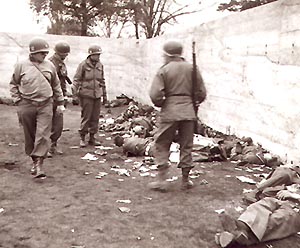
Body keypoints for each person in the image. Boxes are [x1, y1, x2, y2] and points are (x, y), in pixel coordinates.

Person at [148, 40, 207, 190]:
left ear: (167, 54)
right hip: (188, 111)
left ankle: (162, 180)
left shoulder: (164, 70)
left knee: (162, 143)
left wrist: (163, 103)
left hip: (170, 110)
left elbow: (155, 95)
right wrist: (193, 102)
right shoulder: (192, 68)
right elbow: (201, 92)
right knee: (186, 145)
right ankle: (186, 180)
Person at [9, 37, 65, 178]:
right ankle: (34, 160)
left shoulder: (50, 66)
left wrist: (60, 102)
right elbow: (13, 84)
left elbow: (56, 85)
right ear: (32, 53)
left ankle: (39, 165)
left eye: (46, 53)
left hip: (45, 104)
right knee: (30, 135)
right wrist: (18, 101)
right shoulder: (21, 65)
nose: (44, 55)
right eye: (41, 53)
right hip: (26, 105)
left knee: (43, 134)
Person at [215, 187, 300, 247]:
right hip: (286, 201)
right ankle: (242, 226)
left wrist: (295, 196)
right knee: (265, 202)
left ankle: (240, 236)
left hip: (297, 210)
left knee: (280, 217)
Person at [72, 44, 108, 147]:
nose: (98, 57)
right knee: (86, 117)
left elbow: (102, 81)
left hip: (97, 95)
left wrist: (105, 96)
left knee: (95, 117)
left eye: (99, 55)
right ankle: (82, 137)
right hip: (86, 95)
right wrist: (74, 95)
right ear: (91, 55)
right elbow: (77, 80)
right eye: (96, 55)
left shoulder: (100, 65)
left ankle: (92, 137)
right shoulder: (83, 65)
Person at [48, 41, 71, 156]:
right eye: (64, 54)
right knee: (47, 123)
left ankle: (53, 144)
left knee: (58, 124)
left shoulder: (62, 64)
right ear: (57, 53)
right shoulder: (49, 64)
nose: (65, 56)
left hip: (59, 97)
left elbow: (63, 82)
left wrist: (64, 96)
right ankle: (45, 147)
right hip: (50, 98)